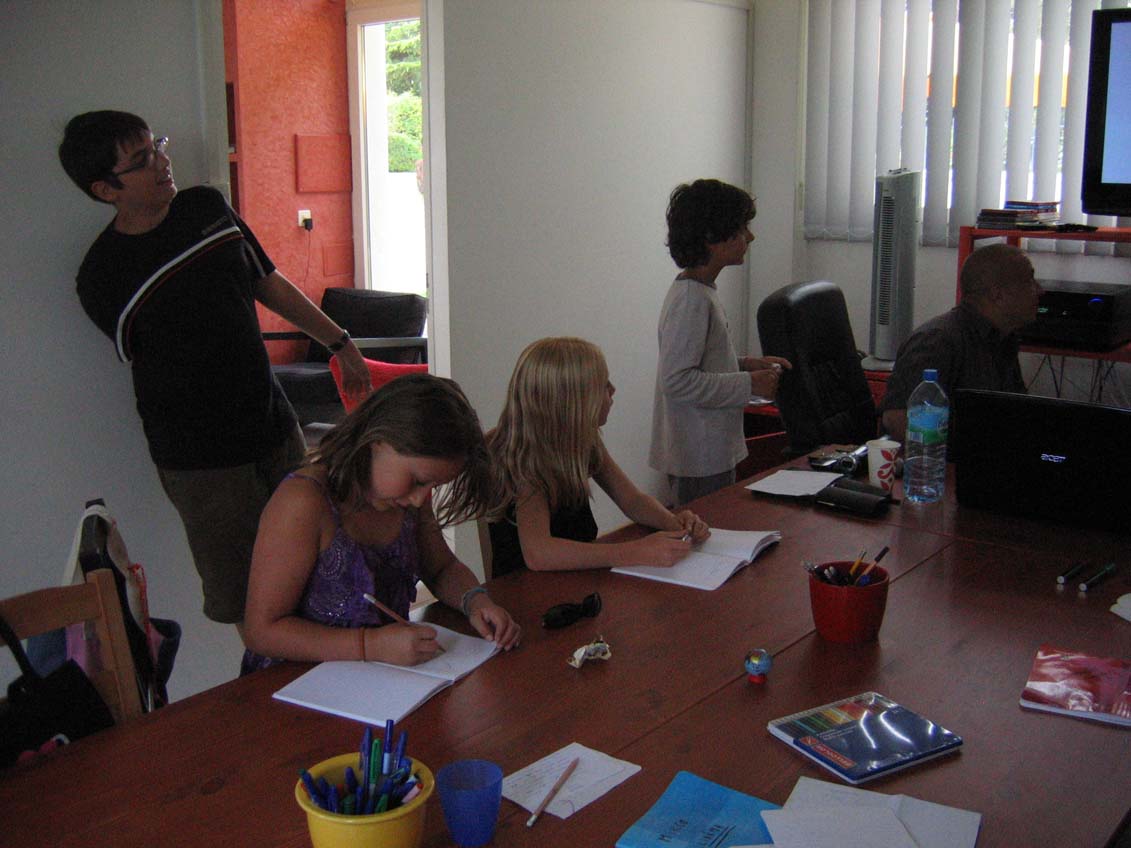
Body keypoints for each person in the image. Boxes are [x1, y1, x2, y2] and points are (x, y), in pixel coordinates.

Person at [242, 374, 520, 672]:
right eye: (418, 480)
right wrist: (369, 645)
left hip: (381, 676)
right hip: (291, 682)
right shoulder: (304, 502)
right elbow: (262, 631)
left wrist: (476, 601)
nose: (420, 499)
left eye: (434, 487)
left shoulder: (406, 500)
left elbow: (442, 568)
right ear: (377, 441)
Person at [485, 337, 710, 575]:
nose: (613, 390)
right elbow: (539, 554)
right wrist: (635, 551)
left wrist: (675, 524)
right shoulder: (525, 460)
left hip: (575, 575)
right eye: (603, 385)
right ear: (573, 402)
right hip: (529, 586)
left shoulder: (583, 440)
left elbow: (632, 500)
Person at [649, 179, 792, 506]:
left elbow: (702, 362)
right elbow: (677, 381)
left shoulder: (700, 292)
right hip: (699, 455)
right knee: (707, 528)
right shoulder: (691, 300)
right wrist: (750, 384)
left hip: (709, 450)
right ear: (712, 237)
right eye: (742, 229)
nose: (750, 237)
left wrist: (745, 364)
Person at [880, 243, 1041, 438]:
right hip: (943, 456)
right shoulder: (937, 341)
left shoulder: (1003, 339)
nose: (1039, 290)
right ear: (997, 295)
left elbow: (1015, 412)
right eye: (1030, 281)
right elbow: (898, 421)